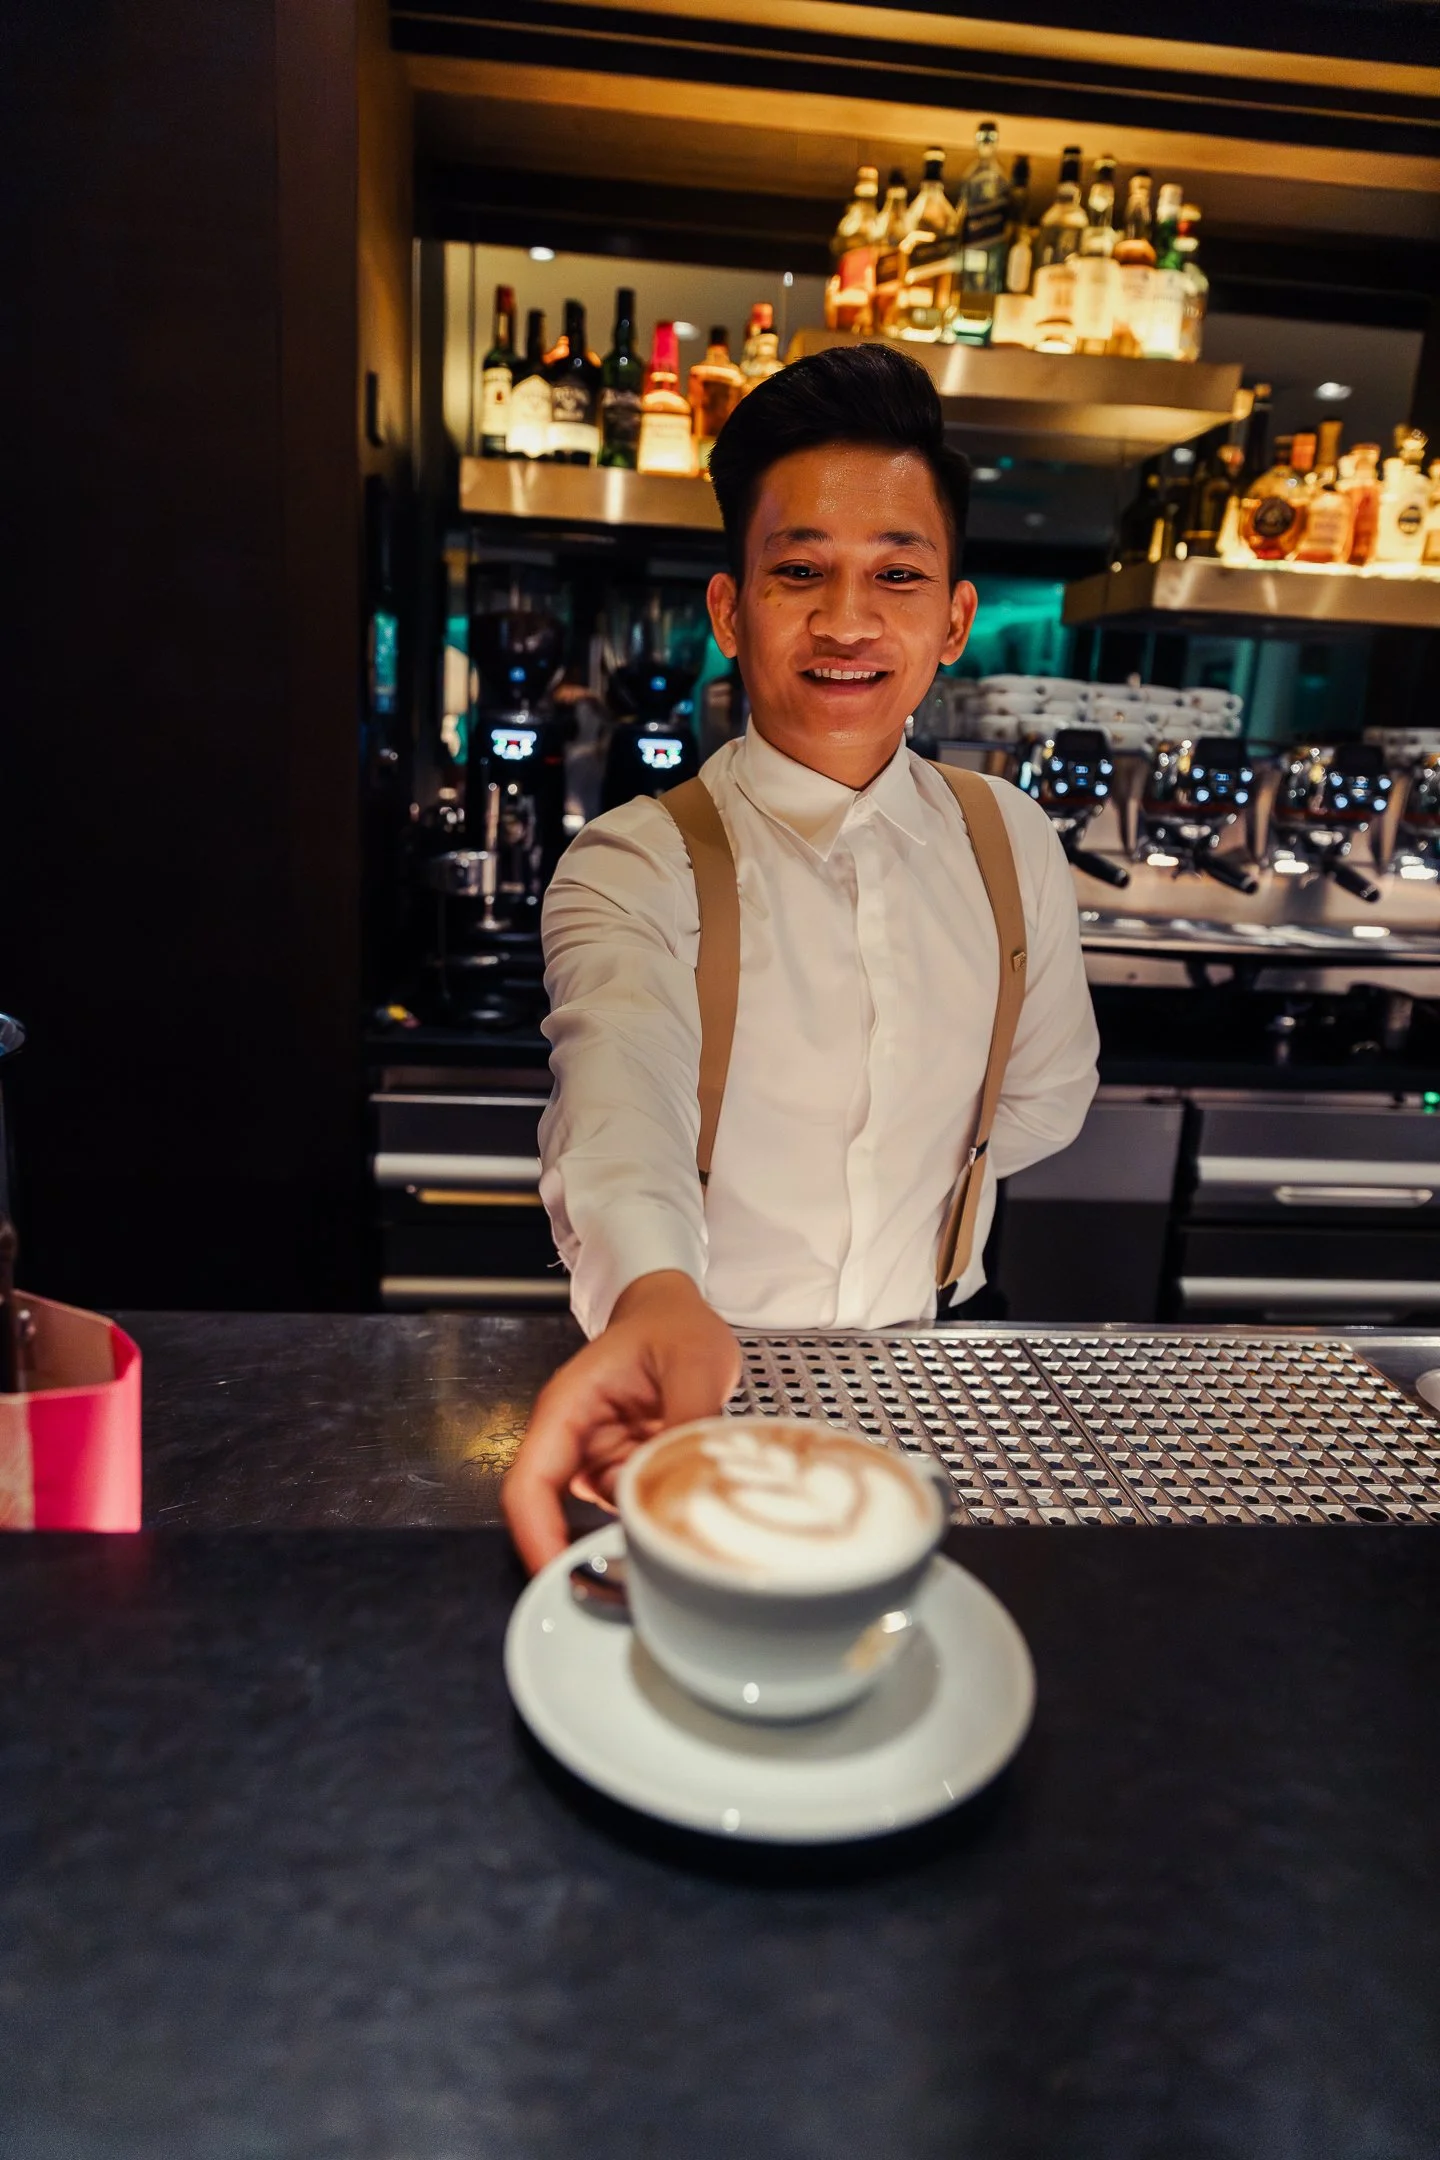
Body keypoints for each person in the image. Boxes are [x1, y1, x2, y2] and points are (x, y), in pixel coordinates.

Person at [503, 342, 1099, 1571]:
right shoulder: (633, 860)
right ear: (732, 610)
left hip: (935, 1376)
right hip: (687, 1381)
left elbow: (1045, 1098)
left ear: (954, 620)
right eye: (799, 570)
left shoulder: (1012, 840)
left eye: (897, 574)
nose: (847, 621)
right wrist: (656, 1290)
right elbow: (619, 1103)